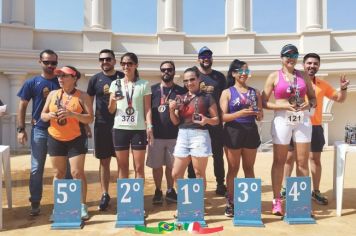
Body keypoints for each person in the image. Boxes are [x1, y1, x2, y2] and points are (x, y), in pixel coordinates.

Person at [281, 53, 349, 205]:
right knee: (289, 158)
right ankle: (286, 188)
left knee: (314, 159)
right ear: (303, 65)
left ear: (319, 66)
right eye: (309, 63)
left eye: (315, 64)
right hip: (294, 124)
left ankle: (315, 191)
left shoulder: (322, 84)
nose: (312, 66)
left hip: (315, 126)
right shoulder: (293, 80)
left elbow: (339, 99)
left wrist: (343, 89)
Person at [262, 44, 316, 216]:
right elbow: (263, 102)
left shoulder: (304, 76)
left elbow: (313, 99)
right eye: (287, 55)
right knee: (279, 161)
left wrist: (309, 103)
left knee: (302, 162)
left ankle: (302, 202)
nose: (291, 58)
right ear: (281, 57)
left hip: (302, 119)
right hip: (282, 119)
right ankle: (277, 201)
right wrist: (282, 105)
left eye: (294, 54)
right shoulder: (273, 76)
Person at [41, 66, 94, 220]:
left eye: (64, 76)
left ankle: (82, 206)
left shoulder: (83, 96)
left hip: (76, 138)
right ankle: (60, 207)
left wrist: (72, 114)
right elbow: (42, 115)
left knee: (77, 173)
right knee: (58, 173)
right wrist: (49, 115)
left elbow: (90, 118)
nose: (60, 79)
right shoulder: (53, 94)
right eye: (59, 76)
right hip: (55, 137)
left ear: (74, 78)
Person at [17, 49, 60, 216]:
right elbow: (22, 106)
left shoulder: (61, 81)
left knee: (66, 169)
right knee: (36, 169)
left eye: (53, 63)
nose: (50, 65)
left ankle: (66, 204)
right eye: (47, 62)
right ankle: (35, 202)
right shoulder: (32, 82)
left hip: (60, 132)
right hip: (39, 131)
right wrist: (21, 129)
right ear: (40, 62)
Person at [220, 60, 263, 217]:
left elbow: (260, 117)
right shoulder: (227, 92)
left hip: (250, 131)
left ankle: (249, 202)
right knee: (233, 168)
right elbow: (222, 117)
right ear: (233, 73)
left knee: (249, 168)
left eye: (246, 70)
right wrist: (240, 114)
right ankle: (230, 201)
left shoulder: (255, 92)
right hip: (233, 131)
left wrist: (258, 114)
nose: (243, 73)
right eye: (240, 70)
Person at [170, 66, 219, 192]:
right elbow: (175, 121)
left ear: (198, 79)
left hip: (199, 135)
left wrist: (206, 120)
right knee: (176, 174)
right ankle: (184, 205)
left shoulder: (208, 97)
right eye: (186, 81)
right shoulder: (180, 98)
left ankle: (198, 205)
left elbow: (216, 120)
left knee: (199, 173)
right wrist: (171, 109)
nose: (189, 83)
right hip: (182, 135)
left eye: (192, 79)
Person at [87, 49, 124, 211]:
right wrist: (86, 124)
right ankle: (105, 194)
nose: (105, 62)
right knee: (104, 161)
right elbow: (89, 103)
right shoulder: (94, 79)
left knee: (122, 162)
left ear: (114, 61)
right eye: (102, 59)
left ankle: (124, 196)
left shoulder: (123, 77)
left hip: (122, 124)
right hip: (101, 125)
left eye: (108, 59)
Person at [188, 46, 227, 196]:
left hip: (214, 122)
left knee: (218, 154)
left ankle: (220, 183)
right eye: (203, 56)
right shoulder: (193, 76)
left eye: (208, 56)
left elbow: (225, 99)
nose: (206, 59)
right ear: (198, 59)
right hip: (196, 123)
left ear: (211, 58)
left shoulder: (219, 77)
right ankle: (192, 182)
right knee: (194, 154)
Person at [146, 61, 186, 205]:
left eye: (169, 69)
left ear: (174, 71)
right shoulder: (152, 90)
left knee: (171, 166)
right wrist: (149, 127)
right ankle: (158, 190)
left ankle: (170, 190)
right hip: (155, 136)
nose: (166, 72)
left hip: (174, 136)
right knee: (156, 166)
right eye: (163, 69)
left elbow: (180, 116)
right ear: (160, 71)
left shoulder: (181, 91)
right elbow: (147, 111)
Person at [108, 52, 153, 180]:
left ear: (136, 65)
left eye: (129, 63)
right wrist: (112, 100)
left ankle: (137, 199)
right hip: (120, 129)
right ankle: (124, 200)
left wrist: (149, 126)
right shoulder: (115, 84)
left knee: (139, 168)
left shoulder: (144, 84)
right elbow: (111, 110)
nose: (126, 66)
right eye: (123, 64)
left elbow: (148, 108)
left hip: (138, 130)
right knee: (122, 166)